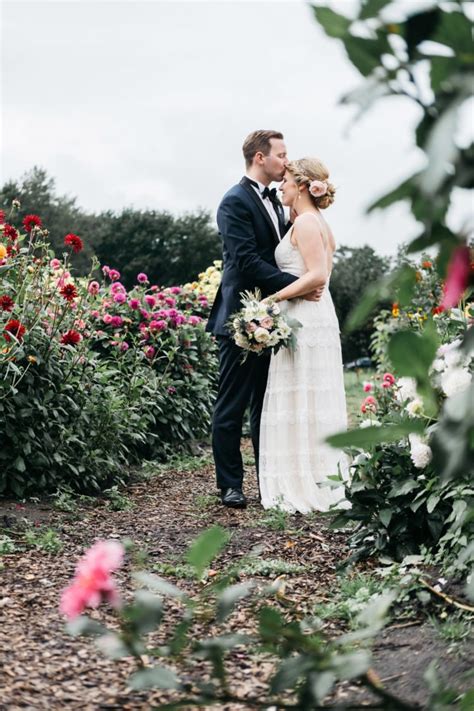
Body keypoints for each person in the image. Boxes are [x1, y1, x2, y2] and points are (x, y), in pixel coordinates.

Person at [207, 131, 322, 508]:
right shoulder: (234, 202)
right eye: (281, 155)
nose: (286, 163)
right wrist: (300, 286)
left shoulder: (279, 203)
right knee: (232, 404)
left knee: (266, 406)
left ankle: (269, 482)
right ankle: (230, 485)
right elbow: (247, 262)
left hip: (273, 317)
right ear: (260, 158)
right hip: (240, 318)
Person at [259, 158, 349, 513]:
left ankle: (304, 482)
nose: (280, 186)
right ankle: (311, 474)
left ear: (301, 185)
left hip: (306, 317)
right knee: (308, 398)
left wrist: (273, 299)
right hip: (312, 314)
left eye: (285, 181)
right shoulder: (312, 222)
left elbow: (317, 276)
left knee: (304, 397)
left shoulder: (308, 223)